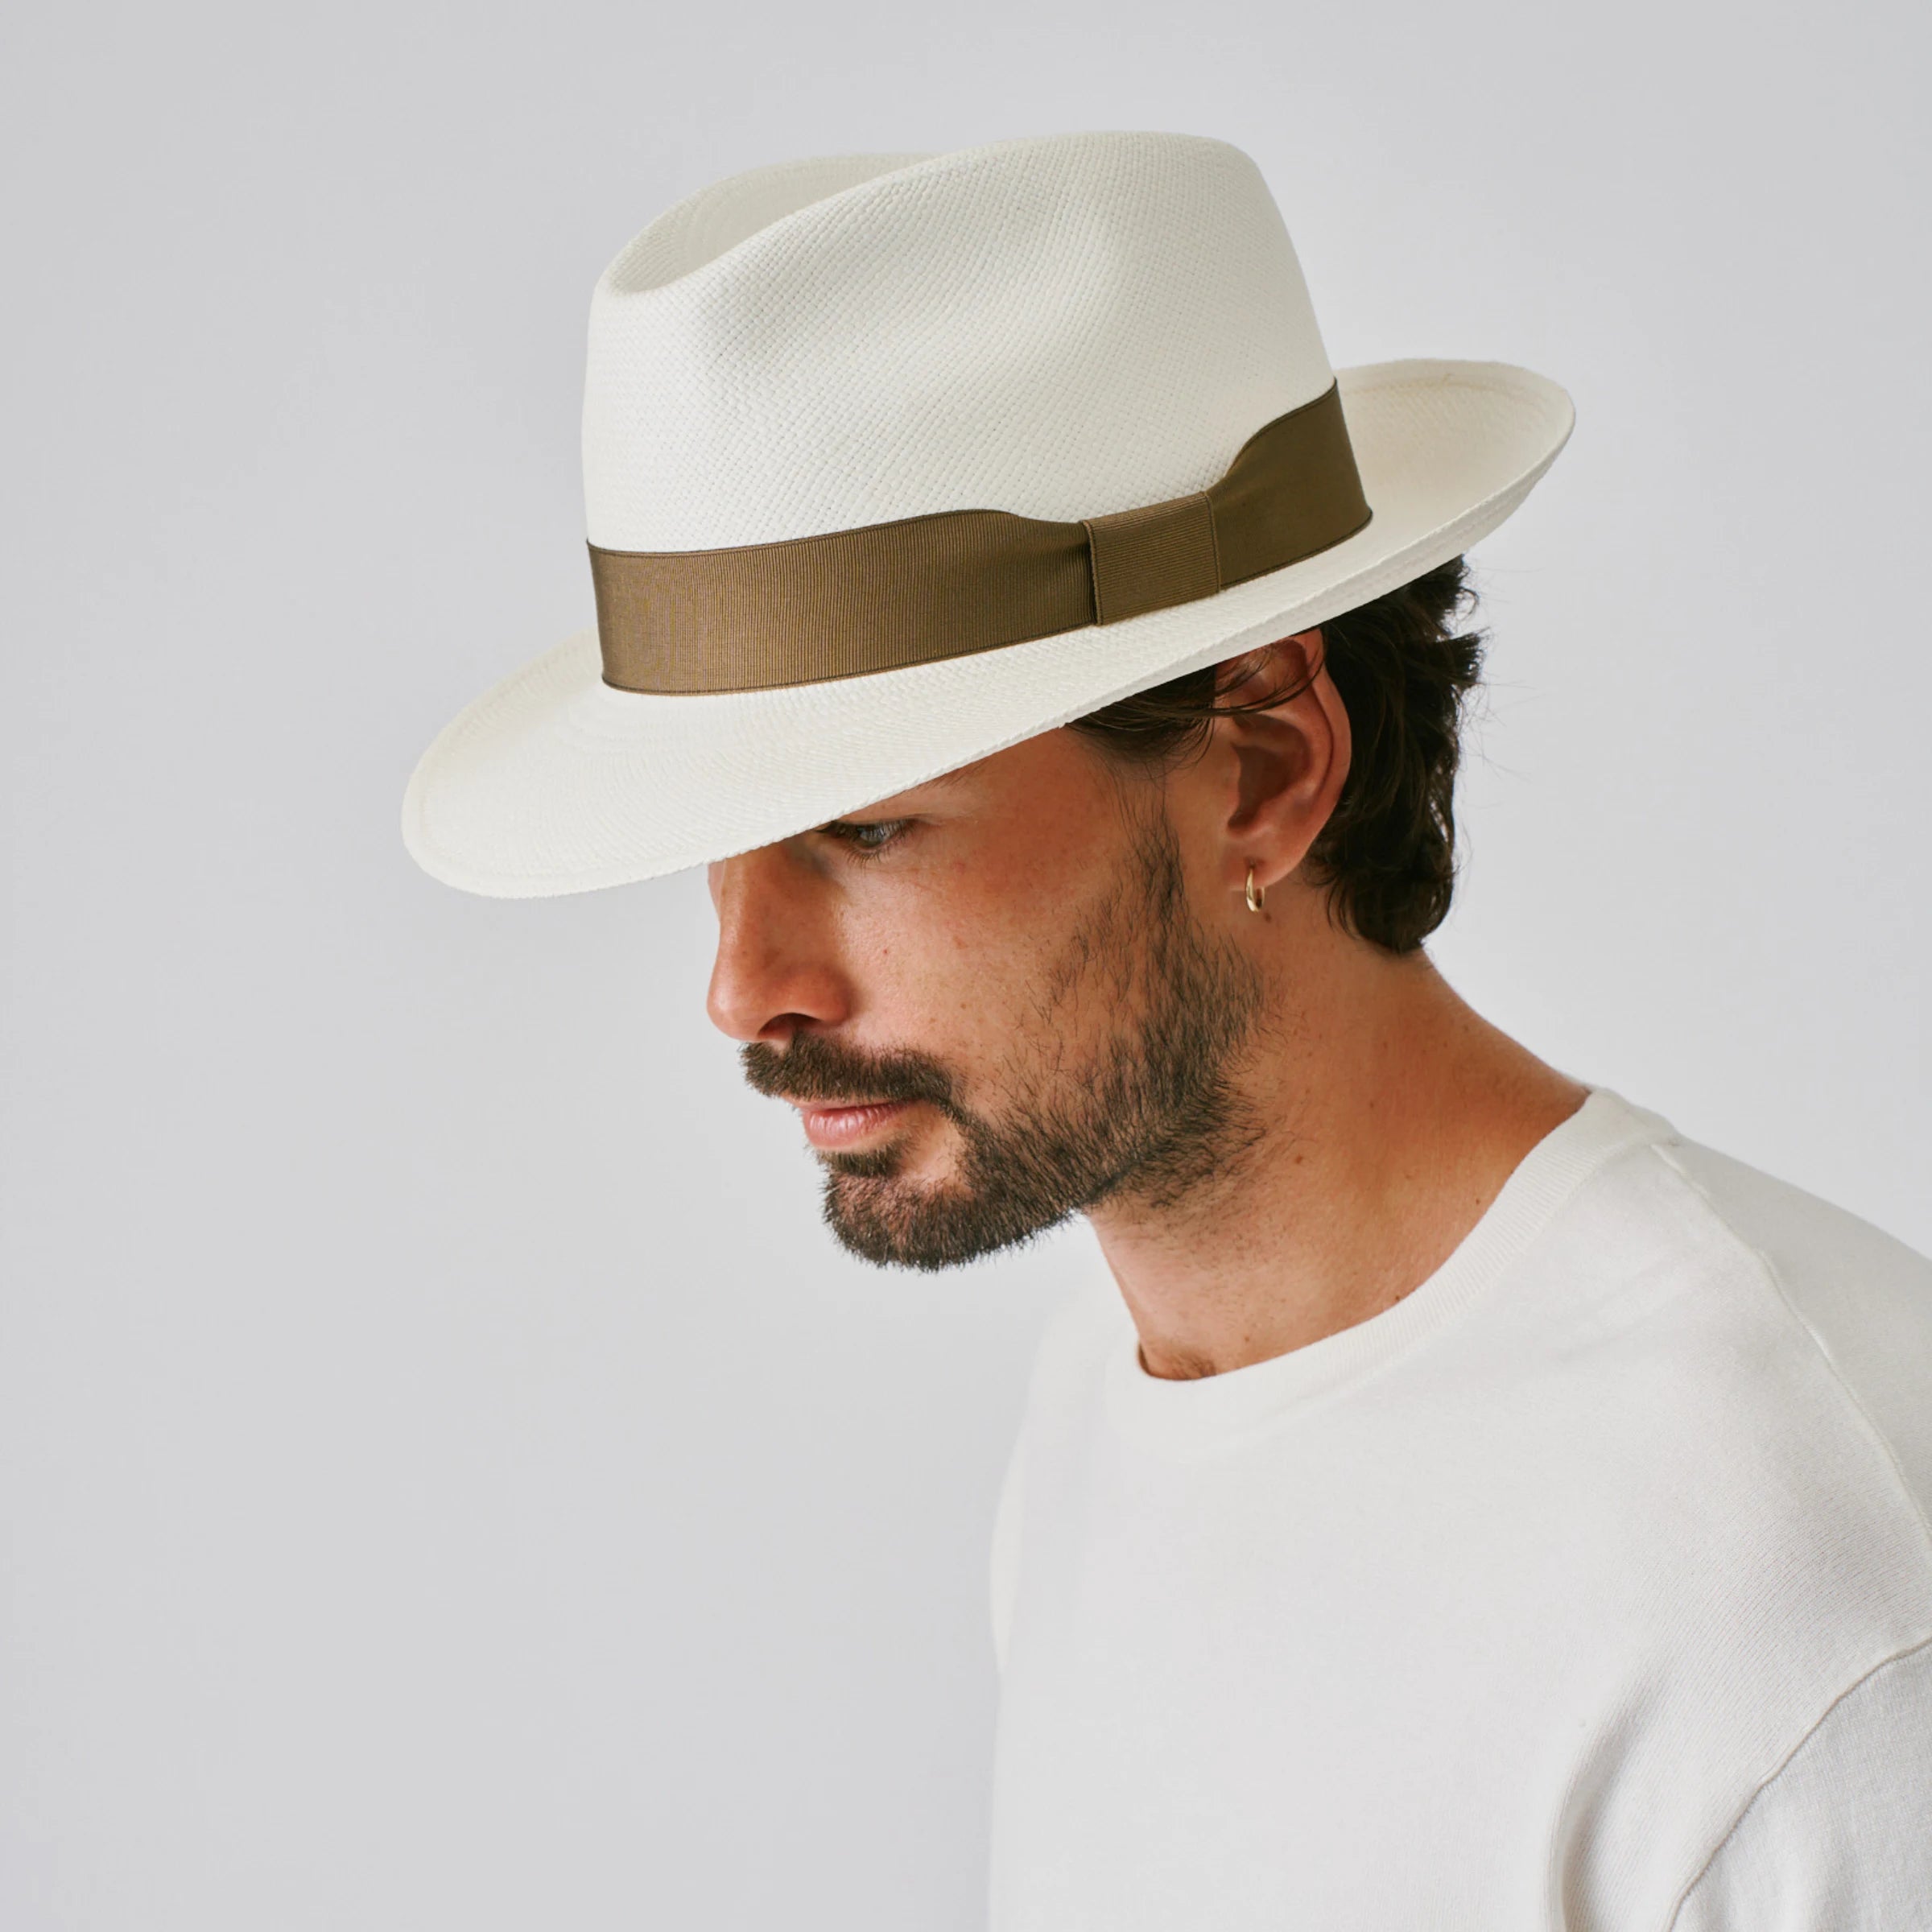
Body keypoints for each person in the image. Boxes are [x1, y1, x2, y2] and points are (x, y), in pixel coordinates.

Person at [402, 131, 1932, 1927]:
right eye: (716, 851)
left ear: (1266, 768)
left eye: (865, 829)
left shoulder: (1803, 1591)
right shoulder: (1106, 1404)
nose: (746, 988)